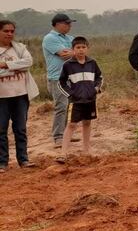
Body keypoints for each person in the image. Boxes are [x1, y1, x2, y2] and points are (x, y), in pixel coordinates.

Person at [56, 36, 102, 163]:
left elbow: (99, 77)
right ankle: (63, 153)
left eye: (83, 47)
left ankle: (86, 150)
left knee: (87, 123)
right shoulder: (68, 65)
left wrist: (96, 89)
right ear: (73, 49)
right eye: (78, 47)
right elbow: (61, 82)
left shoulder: (92, 63)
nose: (81, 50)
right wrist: (71, 94)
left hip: (90, 99)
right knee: (71, 124)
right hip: (76, 101)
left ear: (87, 48)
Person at [0, 20, 39, 172]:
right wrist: (17, 67)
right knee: (1, 130)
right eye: (6, 31)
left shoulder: (20, 48)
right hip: (2, 97)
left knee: (20, 128)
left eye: (12, 31)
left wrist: (5, 65)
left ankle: (23, 160)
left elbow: (28, 62)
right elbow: (22, 66)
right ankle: (2, 162)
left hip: (21, 95)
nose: (9, 34)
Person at [42, 13, 76, 146]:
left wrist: (74, 52)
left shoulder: (70, 38)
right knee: (61, 107)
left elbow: (76, 52)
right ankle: (58, 137)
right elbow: (63, 55)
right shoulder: (50, 38)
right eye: (66, 23)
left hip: (71, 77)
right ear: (57, 24)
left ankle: (67, 134)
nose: (69, 26)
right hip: (57, 78)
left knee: (70, 107)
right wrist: (77, 52)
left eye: (70, 23)